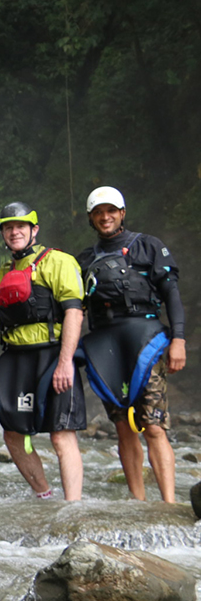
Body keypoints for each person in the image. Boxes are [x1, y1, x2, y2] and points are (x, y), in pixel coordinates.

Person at [76, 186, 186, 502]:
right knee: (124, 427)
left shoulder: (149, 246)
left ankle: (168, 502)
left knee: (153, 427)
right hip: (105, 344)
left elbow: (172, 296)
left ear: (122, 213)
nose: (105, 217)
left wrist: (177, 339)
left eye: (111, 211)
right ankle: (138, 499)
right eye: (98, 212)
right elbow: (72, 309)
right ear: (91, 218)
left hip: (146, 339)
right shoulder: (84, 260)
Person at [0, 202, 85, 501]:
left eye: (20, 226)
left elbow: (74, 312)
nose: (14, 231)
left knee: (61, 432)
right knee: (13, 434)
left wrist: (66, 362)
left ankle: (73, 506)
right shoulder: (3, 272)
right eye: (8, 227)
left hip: (52, 354)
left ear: (34, 230)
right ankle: (44, 494)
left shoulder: (58, 261)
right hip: (18, 358)